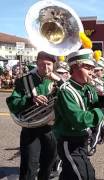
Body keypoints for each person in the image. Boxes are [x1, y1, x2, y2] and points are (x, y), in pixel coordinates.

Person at [53, 48, 104, 179]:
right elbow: (80, 119)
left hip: (82, 139)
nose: (92, 72)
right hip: (69, 141)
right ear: (75, 67)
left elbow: (95, 107)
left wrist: (103, 97)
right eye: (89, 68)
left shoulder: (87, 87)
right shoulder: (66, 90)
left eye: (93, 68)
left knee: (71, 175)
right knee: (85, 175)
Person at [6, 51, 60, 180]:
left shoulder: (59, 81)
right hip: (31, 130)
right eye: (41, 64)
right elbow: (12, 103)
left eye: (49, 64)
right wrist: (30, 100)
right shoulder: (25, 80)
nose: (45, 68)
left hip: (52, 130)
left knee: (48, 166)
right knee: (29, 167)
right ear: (36, 63)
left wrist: (59, 80)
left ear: (53, 65)